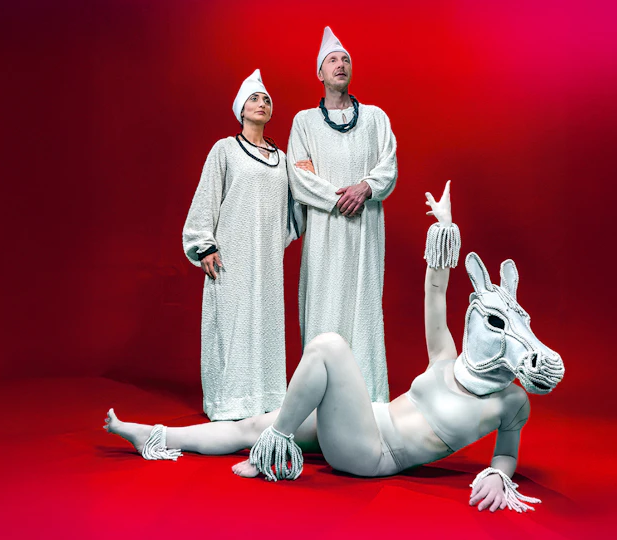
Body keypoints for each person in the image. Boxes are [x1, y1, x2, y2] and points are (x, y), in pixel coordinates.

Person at [111, 182, 566, 513]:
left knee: (329, 346)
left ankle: (274, 450)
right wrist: (446, 229)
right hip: (368, 418)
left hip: (375, 454)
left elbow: (507, 452)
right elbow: (436, 291)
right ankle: (155, 436)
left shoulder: (510, 402)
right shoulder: (446, 358)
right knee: (250, 425)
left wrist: (498, 474)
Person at [181, 69, 301, 421]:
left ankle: (266, 398)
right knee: (232, 326)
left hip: (267, 259)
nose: (261, 103)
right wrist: (205, 244)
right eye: (254, 98)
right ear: (240, 109)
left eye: (266, 100)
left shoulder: (282, 159)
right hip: (231, 255)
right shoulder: (225, 150)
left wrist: (308, 176)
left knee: (265, 324)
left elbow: (293, 210)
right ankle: (228, 401)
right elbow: (206, 197)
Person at [286, 27, 398, 403]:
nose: (340, 64)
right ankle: (319, 401)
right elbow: (299, 176)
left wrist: (365, 187)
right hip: (325, 233)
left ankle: (369, 401)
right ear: (319, 73)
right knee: (323, 306)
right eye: (332, 60)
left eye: (345, 59)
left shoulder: (376, 118)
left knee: (364, 310)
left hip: (365, 232)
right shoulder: (304, 122)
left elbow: (389, 164)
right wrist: (337, 199)